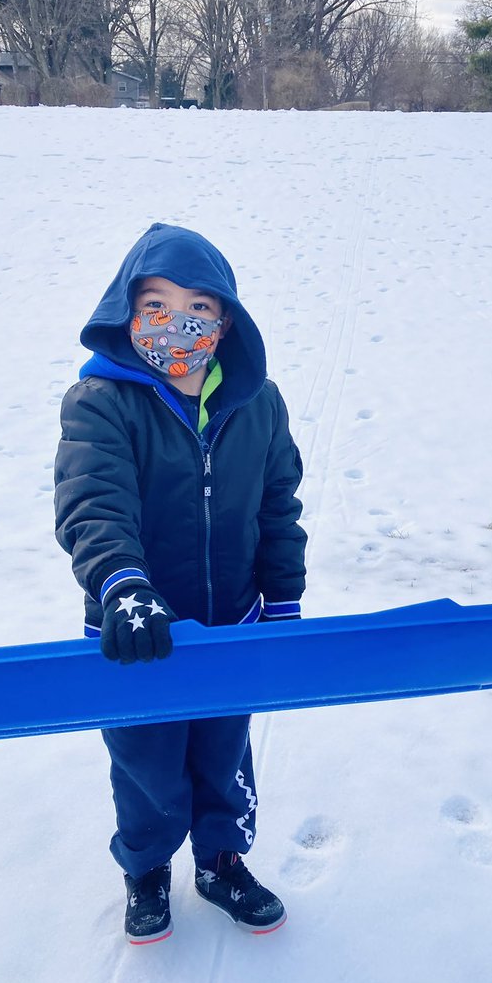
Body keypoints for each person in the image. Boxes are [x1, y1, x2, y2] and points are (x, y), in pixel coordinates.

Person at [54, 223, 308, 944]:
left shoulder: (258, 404)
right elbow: (92, 500)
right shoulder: (103, 401)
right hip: (136, 628)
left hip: (233, 622)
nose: (177, 324)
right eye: (156, 304)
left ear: (225, 320)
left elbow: (277, 505)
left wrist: (283, 601)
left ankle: (221, 861)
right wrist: (121, 584)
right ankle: (145, 869)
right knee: (146, 762)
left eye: (197, 305)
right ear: (126, 311)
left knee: (224, 751)